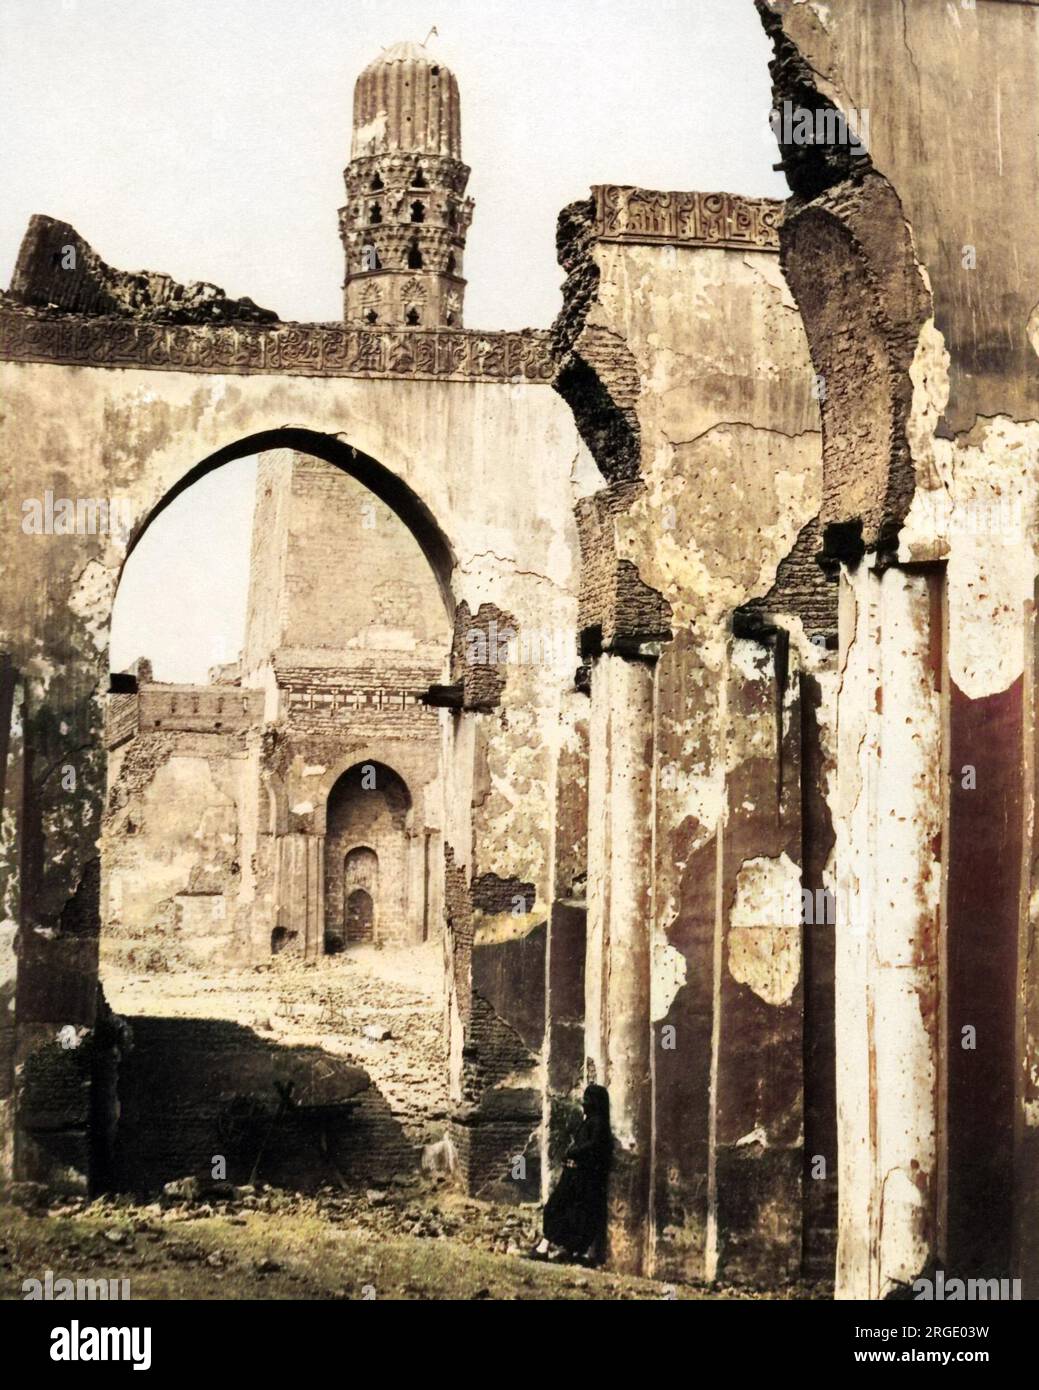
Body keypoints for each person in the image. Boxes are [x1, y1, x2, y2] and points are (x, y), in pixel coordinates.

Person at [530, 1084, 611, 1265]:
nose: (584, 1103)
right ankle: (555, 1248)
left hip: (581, 1177)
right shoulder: (591, 1121)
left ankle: (549, 1248)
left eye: (588, 1099)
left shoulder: (597, 1123)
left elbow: (594, 1146)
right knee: (558, 1208)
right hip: (575, 1175)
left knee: (560, 1209)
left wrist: (573, 1152)